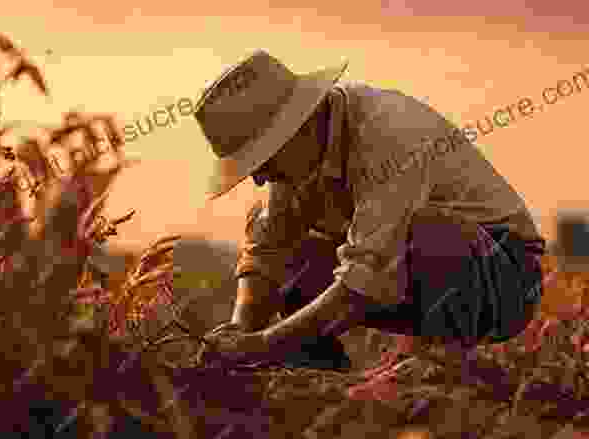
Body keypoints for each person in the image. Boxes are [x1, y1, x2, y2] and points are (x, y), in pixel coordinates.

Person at [194, 49, 546, 373]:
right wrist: (240, 329)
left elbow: (364, 282)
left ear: (295, 128)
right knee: (295, 260)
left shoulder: (389, 135)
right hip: (411, 276)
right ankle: (320, 380)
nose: (258, 177)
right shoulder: (298, 159)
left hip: (507, 277)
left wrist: (262, 346)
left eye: (262, 160)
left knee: (424, 230)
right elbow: (267, 251)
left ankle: (445, 369)